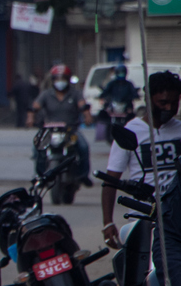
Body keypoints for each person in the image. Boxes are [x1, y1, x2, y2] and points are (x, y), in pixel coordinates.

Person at [101, 70, 181, 250]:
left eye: (174, 103)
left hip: (176, 218)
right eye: (163, 102)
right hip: (143, 217)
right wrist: (107, 222)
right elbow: (111, 179)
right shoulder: (132, 131)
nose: (168, 108)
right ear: (149, 99)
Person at [28, 64, 92, 184]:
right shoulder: (46, 94)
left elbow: (83, 106)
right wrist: (30, 118)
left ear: (68, 80)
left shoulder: (75, 94)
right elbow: (34, 107)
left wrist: (87, 116)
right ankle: (39, 175)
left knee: (83, 147)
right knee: (37, 148)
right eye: (57, 79)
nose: (60, 82)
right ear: (53, 80)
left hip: (71, 130)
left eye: (63, 79)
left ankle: (83, 175)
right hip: (50, 131)